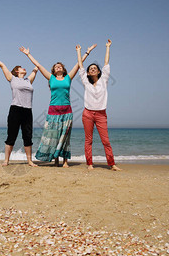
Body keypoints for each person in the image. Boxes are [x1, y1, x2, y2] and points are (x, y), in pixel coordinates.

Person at [20, 45, 96, 167]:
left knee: (65, 136)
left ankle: (65, 161)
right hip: (53, 111)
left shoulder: (68, 77)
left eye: (60, 66)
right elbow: (38, 65)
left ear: (63, 69)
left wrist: (86, 52)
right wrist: (28, 54)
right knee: (53, 136)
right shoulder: (51, 78)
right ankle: (55, 160)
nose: (58, 67)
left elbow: (78, 64)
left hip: (67, 111)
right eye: (56, 67)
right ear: (54, 71)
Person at [0, 52, 38, 167]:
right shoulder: (12, 79)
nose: (24, 68)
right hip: (15, 110)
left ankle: (30, 161)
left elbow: (37, 66)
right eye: (21, 68)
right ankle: (6, 160)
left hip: (28, 111)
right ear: (17, 71)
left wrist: (29, 54)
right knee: (11, 135)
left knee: (27, 136)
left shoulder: (28, 80)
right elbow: (2, 66)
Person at [76, 39, 121, 171]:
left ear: (99, 71)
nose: (93, 69)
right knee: (88, 140)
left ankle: (112, 164)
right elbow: (80, 66)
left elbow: (106, 63)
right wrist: (79, 52)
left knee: (105, 140)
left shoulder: (104, 80)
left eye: (95, 68)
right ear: (89, 73)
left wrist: (108, 47)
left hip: (101, 114)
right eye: (91, 69)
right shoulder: (86, 81)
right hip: (88, 113)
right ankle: (89, 164)